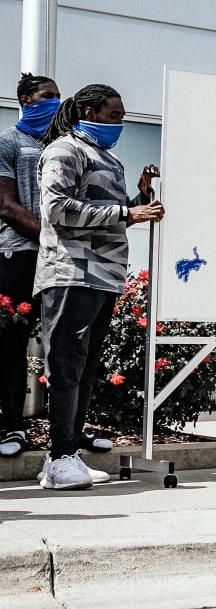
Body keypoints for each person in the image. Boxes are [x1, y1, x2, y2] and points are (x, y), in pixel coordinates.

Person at [35, 84, 164, 490]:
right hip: (70, 272)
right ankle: (57, 459)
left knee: (86, 367)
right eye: (113, 116)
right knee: (66, 366)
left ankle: (69, 454)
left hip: (103, 275)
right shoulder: (63, 151)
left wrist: (137, 196)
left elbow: (105, 209)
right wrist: (128, 210)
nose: (120, 124)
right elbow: (56, 208)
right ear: (88, 111)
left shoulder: (105, 157)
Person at [0, 74, 60, 458]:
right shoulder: (8, 142)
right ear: (25, 99)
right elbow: (5, 205)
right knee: (10, 345)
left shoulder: (63, 145)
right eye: (46, 96)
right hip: (18, 256)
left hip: (60, 261)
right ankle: (12, 428)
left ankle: (67, 433)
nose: (54, 102)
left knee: (66, 345)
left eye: (58, 96)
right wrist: (50, 236)